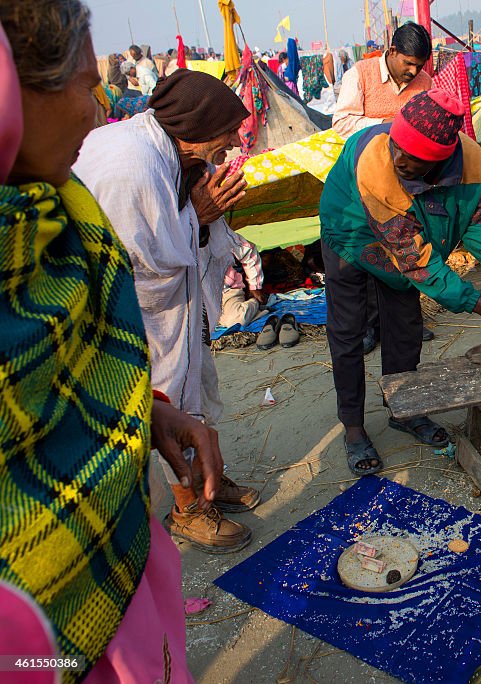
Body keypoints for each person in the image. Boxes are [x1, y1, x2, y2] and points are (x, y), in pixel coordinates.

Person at [1, 1, 224, 679]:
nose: (98, 112)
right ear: (12, 96)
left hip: (117, 569)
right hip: (36, 632)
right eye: (81, 83)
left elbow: (73, 372)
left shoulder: (63, 214)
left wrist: (146, 409)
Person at [73, 69, 261, 554]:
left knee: (190, 390)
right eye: (224, 138)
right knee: (166, 397)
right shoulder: (131, 166)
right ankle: (188, 508)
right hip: (138, 314)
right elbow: (145, 265)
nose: (231, 146)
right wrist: (197, 216)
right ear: (194, 129)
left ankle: (207, 480)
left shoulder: (174, 151)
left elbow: (176, 234)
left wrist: (200, 217)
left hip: (172, 302)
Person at [319, 89, 481, 475]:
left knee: (405, 329)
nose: (399, 160)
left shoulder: (473, 161)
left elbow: (480, 225)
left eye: (413, 160)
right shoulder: (377, 165)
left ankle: (404, 409)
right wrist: (475, 302)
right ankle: (354, 427)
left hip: (410, 241)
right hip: (352, 239)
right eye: (397, 149)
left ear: (443, 159)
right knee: (347, 332)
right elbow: (416, 259)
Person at [332, 21, 435, 352]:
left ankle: (403, 324)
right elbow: (342, 123)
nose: (413, 71)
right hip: (362, 185)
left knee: (403, 253)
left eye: (418, 65)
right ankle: (368, 327)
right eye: (408, 63)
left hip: (404, 188)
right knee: (366, 256)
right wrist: (391, 128)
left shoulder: (424, 83)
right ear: (392, 53)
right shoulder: (359, 75)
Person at [218, 232, 268, 329]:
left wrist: (254, 286)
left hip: (226, 291)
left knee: (234, 321)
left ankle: (254, 303)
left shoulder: (218, 232)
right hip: (195, 297)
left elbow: (248, 251)